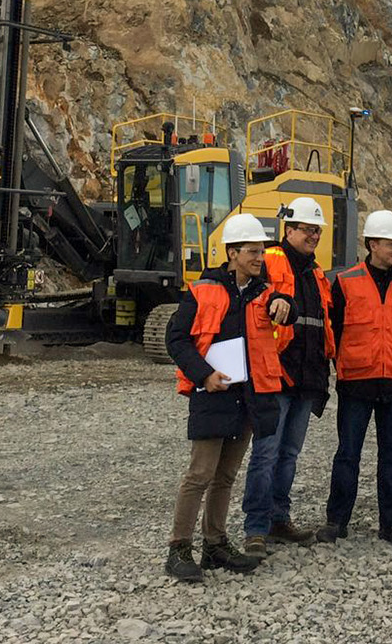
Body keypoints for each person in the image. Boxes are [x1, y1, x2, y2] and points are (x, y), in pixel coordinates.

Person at [163, 213, 295, 580]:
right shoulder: (203, 291)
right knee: (199, 474)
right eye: (253, 252)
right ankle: (178, 549)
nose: (260, 258)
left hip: (247, 397)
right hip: (212, 394)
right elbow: (176, 339)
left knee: (225, 476)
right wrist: (204, 374)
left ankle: (215, 544)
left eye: (262, 252)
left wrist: (286, 306)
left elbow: (287, 311)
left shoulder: (265, 292)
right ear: (233, 253)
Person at [317, 209, 392, 549]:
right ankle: (337, 521)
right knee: (348, 454)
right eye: (391, 244)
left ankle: (391, 524)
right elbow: (332, 328)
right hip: (357, 383)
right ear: (372, 244)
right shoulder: (346, 282)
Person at [241, 196, 334, 557]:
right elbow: (251, 300)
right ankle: (256, 528)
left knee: (289, 454)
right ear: (288, 229)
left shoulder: (316, 274)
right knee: (265, 453)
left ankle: (279, 518)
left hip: (306, 377)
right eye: (307, 229)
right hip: (274, 374)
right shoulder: (268, 262)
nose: (313, 235)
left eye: (317, 230)